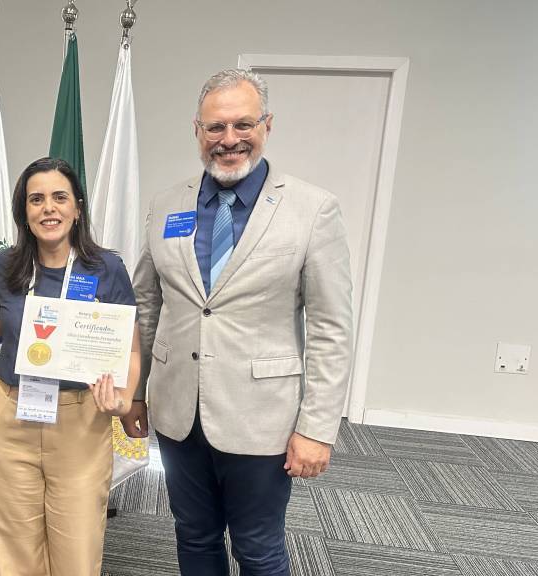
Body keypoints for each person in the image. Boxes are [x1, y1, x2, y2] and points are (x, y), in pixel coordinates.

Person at [123, 68, 353, 576]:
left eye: (243, 124)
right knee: (193, 534)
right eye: (215, 127)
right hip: (178, 411)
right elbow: (146, 306)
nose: (229, 139)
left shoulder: (312, 209)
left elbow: (331, 328)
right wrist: (135, 393)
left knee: (258, 547)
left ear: (267, 125)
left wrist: (318, 428)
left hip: (260, 417)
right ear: (197, 131)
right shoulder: (166, 204)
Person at [0, 157, 141, 576]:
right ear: (24, 212)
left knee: (77, 546)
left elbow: (131, 350)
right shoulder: (7, 265)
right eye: (36, 199)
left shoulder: (106, 268)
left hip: (80, 421)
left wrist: (123, 400)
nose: (48, 208)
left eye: (59, 197)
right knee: (15, 544)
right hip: (12, 415)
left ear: (77, 208)